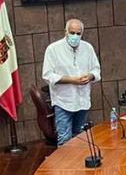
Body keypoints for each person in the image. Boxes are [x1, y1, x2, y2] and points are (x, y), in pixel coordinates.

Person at [41, 18, 101, 146]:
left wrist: (90, 76)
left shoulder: (88, 48)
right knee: (64, 140)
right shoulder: (53, 49)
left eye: (78, 34)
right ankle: (64, 166)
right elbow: (47, 75)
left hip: (83, 100)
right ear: (65, 32)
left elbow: (96, 70)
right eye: (72, 32)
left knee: (81, 139)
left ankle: (78, 166)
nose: (75, 36)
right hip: (63, 101)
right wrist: (71, 80)